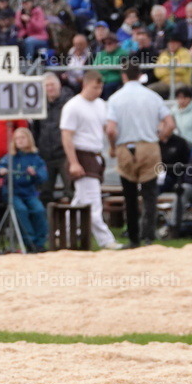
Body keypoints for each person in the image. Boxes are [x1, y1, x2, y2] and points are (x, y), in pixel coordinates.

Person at [106, 59, 175, 248]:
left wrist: (112, 147)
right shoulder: (153, 97)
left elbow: (111, 129)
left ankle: (134, 238)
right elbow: (170, 123)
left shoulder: (115, 98)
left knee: (129, 195)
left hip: (125, 146)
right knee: (150, 194)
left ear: (124, 76)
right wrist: (160, 137)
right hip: (148, 146)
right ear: (140, 75)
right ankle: (149, 237)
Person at [60, 71, 123, 250]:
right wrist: (73, 162)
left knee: (80, 201)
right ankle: (106, 240)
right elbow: (66, 135)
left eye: (100, 87)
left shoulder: (101, 105)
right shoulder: (73, 106)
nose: (98, 90)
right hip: (81, 154)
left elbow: (105, 128)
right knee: (93, 202)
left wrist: (112, 145)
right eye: (95, 87)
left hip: (95, 154)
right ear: (85, 85)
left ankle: (62, 233)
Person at [0, 127, 48, 252]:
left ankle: (40, 242)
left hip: (29, 193)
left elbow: (43, 177)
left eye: (22, 138)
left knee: (39, 210)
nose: (19, 141)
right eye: (17, 139)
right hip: (13, 193)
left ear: (29, 139)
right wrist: (1, 170)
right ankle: (29, 242)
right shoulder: (9, 157)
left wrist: (35, 174)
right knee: (21, 210)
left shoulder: (36, 158)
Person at [33, 73, 74, 203]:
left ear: (59, 85)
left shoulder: (69, 104)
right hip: (45, 155)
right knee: (44, 192)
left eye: (52, 85)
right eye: (47, 86)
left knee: (71, 191)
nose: (50, 88)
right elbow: (36, 129)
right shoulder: (38, 105)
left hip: (64, 154)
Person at [92, 32, 124, 98]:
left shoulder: (122, 53)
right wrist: (107, 67)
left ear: (116, 43)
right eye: (105, 43)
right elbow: (94, 68)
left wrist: (104, 67)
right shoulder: (101, 54)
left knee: (107, 87)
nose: (107, 45)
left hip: (115, 81)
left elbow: (120, 68)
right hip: (101, 81)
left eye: (110, 43)